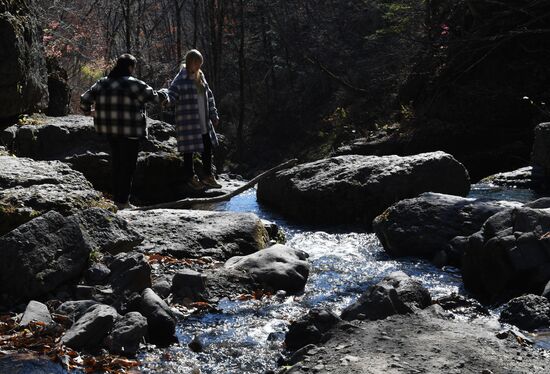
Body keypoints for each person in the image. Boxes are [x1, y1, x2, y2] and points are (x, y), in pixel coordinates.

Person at [80, 53, 168, 209]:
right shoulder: (134, 84)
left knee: (117, 164)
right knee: (128, 167)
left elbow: (85, 98)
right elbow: (155, 98)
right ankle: (123, 202)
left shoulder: (103, 82)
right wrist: (165, 92)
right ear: (129, 67)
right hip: (130, 132)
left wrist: (88, 111)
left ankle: (117, 200)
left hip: (110, 131)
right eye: (133, 67)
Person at [162, 49, 222, 190]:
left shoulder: (200, 76)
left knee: (207, 147)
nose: (199, 66)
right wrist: (165, 99)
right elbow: (172, 94)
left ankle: (208, 176)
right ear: (192, 62)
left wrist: (214, 114)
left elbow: (210, 96)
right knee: (189, 151)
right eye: (198, 63)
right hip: (188, 121)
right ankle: (190, 178)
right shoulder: (180, 78)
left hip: (203, 120)